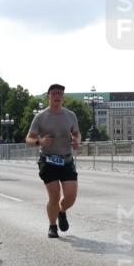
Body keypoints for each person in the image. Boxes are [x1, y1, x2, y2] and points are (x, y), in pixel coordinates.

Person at [26, 84, 81, 238]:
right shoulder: (40, 117)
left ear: (63, 97)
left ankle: (61, 211)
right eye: (54, 93)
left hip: (66, 160)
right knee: (54, 196)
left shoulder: (70, 115)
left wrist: (77, 140)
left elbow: (77, 133)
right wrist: (40, 142)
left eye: (60, 93)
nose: (57, 96)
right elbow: (29, 139)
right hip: (48, 160)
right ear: (48, 96)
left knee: (70, 196)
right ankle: (52, 226)